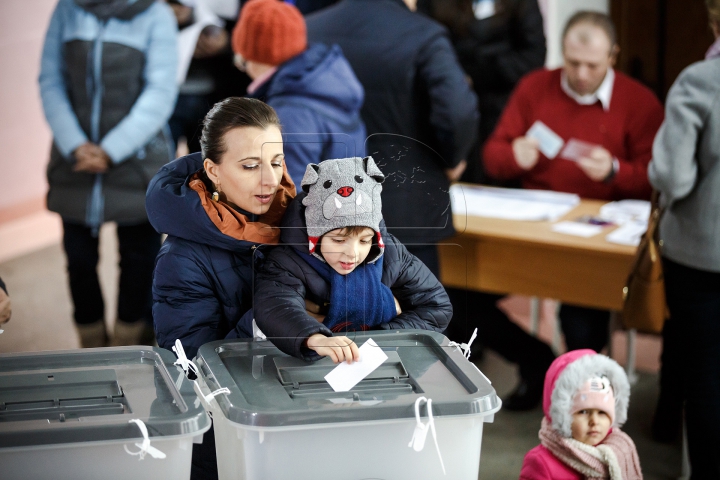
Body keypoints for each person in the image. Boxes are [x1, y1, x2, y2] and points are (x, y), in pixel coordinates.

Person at [483, 11, 664, 355]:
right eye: (572, 62)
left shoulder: (639, 101)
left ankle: (580, 388)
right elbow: (493, 155)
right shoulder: (535, 86)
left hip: (594, 243)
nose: (581, 74)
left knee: (582, 325)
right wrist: (513, 157)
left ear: (613, 56)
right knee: (455, 294)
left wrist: (615, 171)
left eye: (592, 66)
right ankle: (536, 363)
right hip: (534, 231)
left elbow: (655, 179)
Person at [146, 97, 294, 479]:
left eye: (276, 162)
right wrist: (275, 316)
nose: (269, 180)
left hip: (300, 416)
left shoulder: (304, 221)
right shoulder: (181, 260)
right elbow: (193, 373)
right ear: (212, 170)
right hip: (230, 442)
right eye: (250, 166)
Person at [39, 0, 178, 348]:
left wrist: (112, 149)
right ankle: (91, 346)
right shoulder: (67, 10)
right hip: (75, 162)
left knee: (139, 261)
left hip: (137, 161)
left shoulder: (156, 14)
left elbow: (160, 92)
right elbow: (50, 80)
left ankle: (129, 345)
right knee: (79, 262)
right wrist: (74, 144)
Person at [306, 0, 478, 276]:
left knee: (329, 315)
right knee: (413, 315)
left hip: (327, 208)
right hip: (406, 211)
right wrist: (452, 156)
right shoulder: (423, 35)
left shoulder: (310, 29)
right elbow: (458, 109)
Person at [253, 157, 453, 362]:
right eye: (339, 240)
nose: (353, 253)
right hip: (309, 366)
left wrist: (383, 335)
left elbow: (436, 307)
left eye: (365, 240)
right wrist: (313, 337)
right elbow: (274, 307)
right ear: (315, 236)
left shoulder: (390, 252)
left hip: (379, 363)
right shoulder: (286, 261)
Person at [647, 0, 720, 472]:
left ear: (714, 21)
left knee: (708, 376)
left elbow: (673, 179)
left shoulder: (701, 80)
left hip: (702, 254)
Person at [231, 0, 366, 186]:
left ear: (255, 57)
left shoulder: (289, 112)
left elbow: (288, 193)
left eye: (242, 60)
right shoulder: (326, 85)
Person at [418, 0, 547, 185]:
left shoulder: (521, 4)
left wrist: (477, 74)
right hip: (448, 102)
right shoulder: (434, 4)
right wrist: (455, 76)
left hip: (502, 109)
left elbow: (533, 58)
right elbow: (425, 44)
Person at [519, 349, 642, 479]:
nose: (594, 421)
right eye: (583, 412)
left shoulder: (619, 450)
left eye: (602, 412)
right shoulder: (541, 462)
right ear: (561, 416)